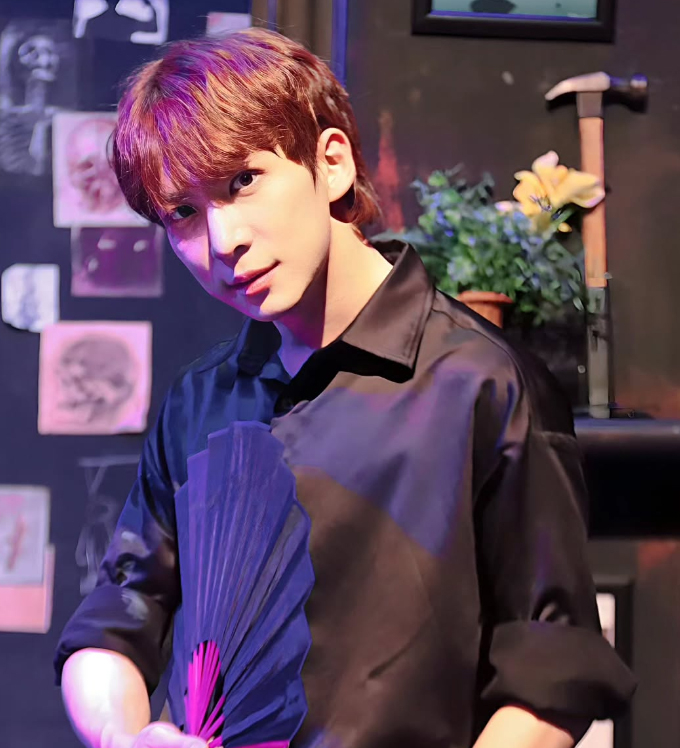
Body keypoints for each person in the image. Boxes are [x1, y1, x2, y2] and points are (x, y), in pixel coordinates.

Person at [54, 27, 635, 748]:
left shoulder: (482, 384)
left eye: (243, 181)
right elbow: (117, 616)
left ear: (331, 164)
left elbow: (550, 679)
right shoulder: (199, 400)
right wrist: (123, 738)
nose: (223, 240)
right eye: (183, 213)